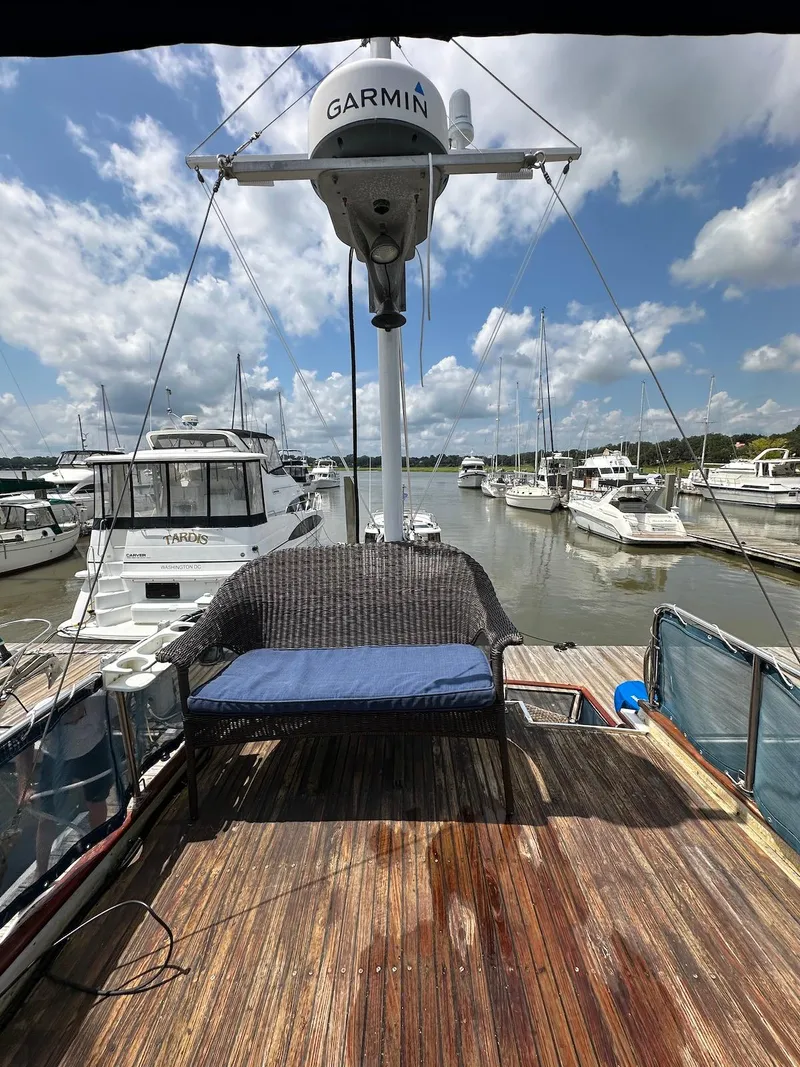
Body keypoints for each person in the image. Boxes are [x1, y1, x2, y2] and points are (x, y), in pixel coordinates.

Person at [16, 692, 113, 877]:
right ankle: (40, 870)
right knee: (46, 816)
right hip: (55, 755)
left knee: (97, 801)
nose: (75, 716)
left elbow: (116, 716)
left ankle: (99, 846)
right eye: (69, 715)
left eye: (79, 712)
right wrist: (24, 787)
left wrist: (130, 745)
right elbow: (24, 745)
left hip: (94, 748)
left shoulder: (99, 697)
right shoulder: (41, 712)